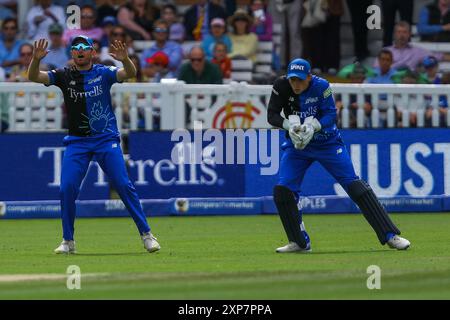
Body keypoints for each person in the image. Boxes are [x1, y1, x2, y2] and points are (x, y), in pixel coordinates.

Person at [27, 35, 161, 254]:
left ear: (92, 52)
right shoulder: (63, 75)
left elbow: (130, 73)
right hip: (77, 142)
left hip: (105, 139)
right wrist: (35, 59)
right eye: (76, 47)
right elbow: (34, 76)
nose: (79, 50)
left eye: (84, 47)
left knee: (123, 184)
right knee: (67, 188)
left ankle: (147, 235)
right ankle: (68, 241)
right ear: (72, 53)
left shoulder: (103, 73)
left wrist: (125, 59)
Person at [267, 58, 411, 253]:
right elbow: (272, 115)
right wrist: (288, 126)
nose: (296, 85)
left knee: (355, 186)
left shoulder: (322, 86)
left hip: (327, 143)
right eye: (293, 80)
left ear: (309, 77)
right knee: (283, 190)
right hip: (298, 146)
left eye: (300, 80)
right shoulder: (281, 86)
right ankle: (299, 242)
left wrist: (313, 126)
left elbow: (330, 115)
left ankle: (390, 236)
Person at [375, 21, 450, 71]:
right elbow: (376, 69)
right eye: (399, 32)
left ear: (409, 34)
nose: (401, 35)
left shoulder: (417, 51)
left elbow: (438, 56)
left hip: (409, 86)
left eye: (404, 32)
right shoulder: (386, 51)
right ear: (394, 34)